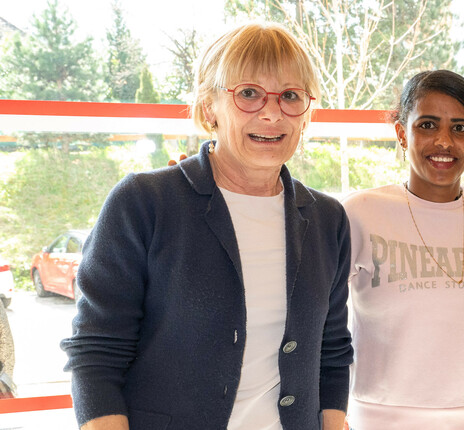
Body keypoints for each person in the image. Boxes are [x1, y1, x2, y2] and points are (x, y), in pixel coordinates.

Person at [60, 23, 352, 430]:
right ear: (209, 105)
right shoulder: (144, 202)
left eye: (290, 96)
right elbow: (97, 352)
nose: (271, 113)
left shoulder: (326, 218)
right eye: (248, 94)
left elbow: (333, 350)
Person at [342, 69, 464, 430]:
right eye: (427, 125)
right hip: (381, 421)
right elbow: (319, 320)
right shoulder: (360, 212)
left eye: (460, 128)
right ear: (401, 133)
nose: (444, 142)